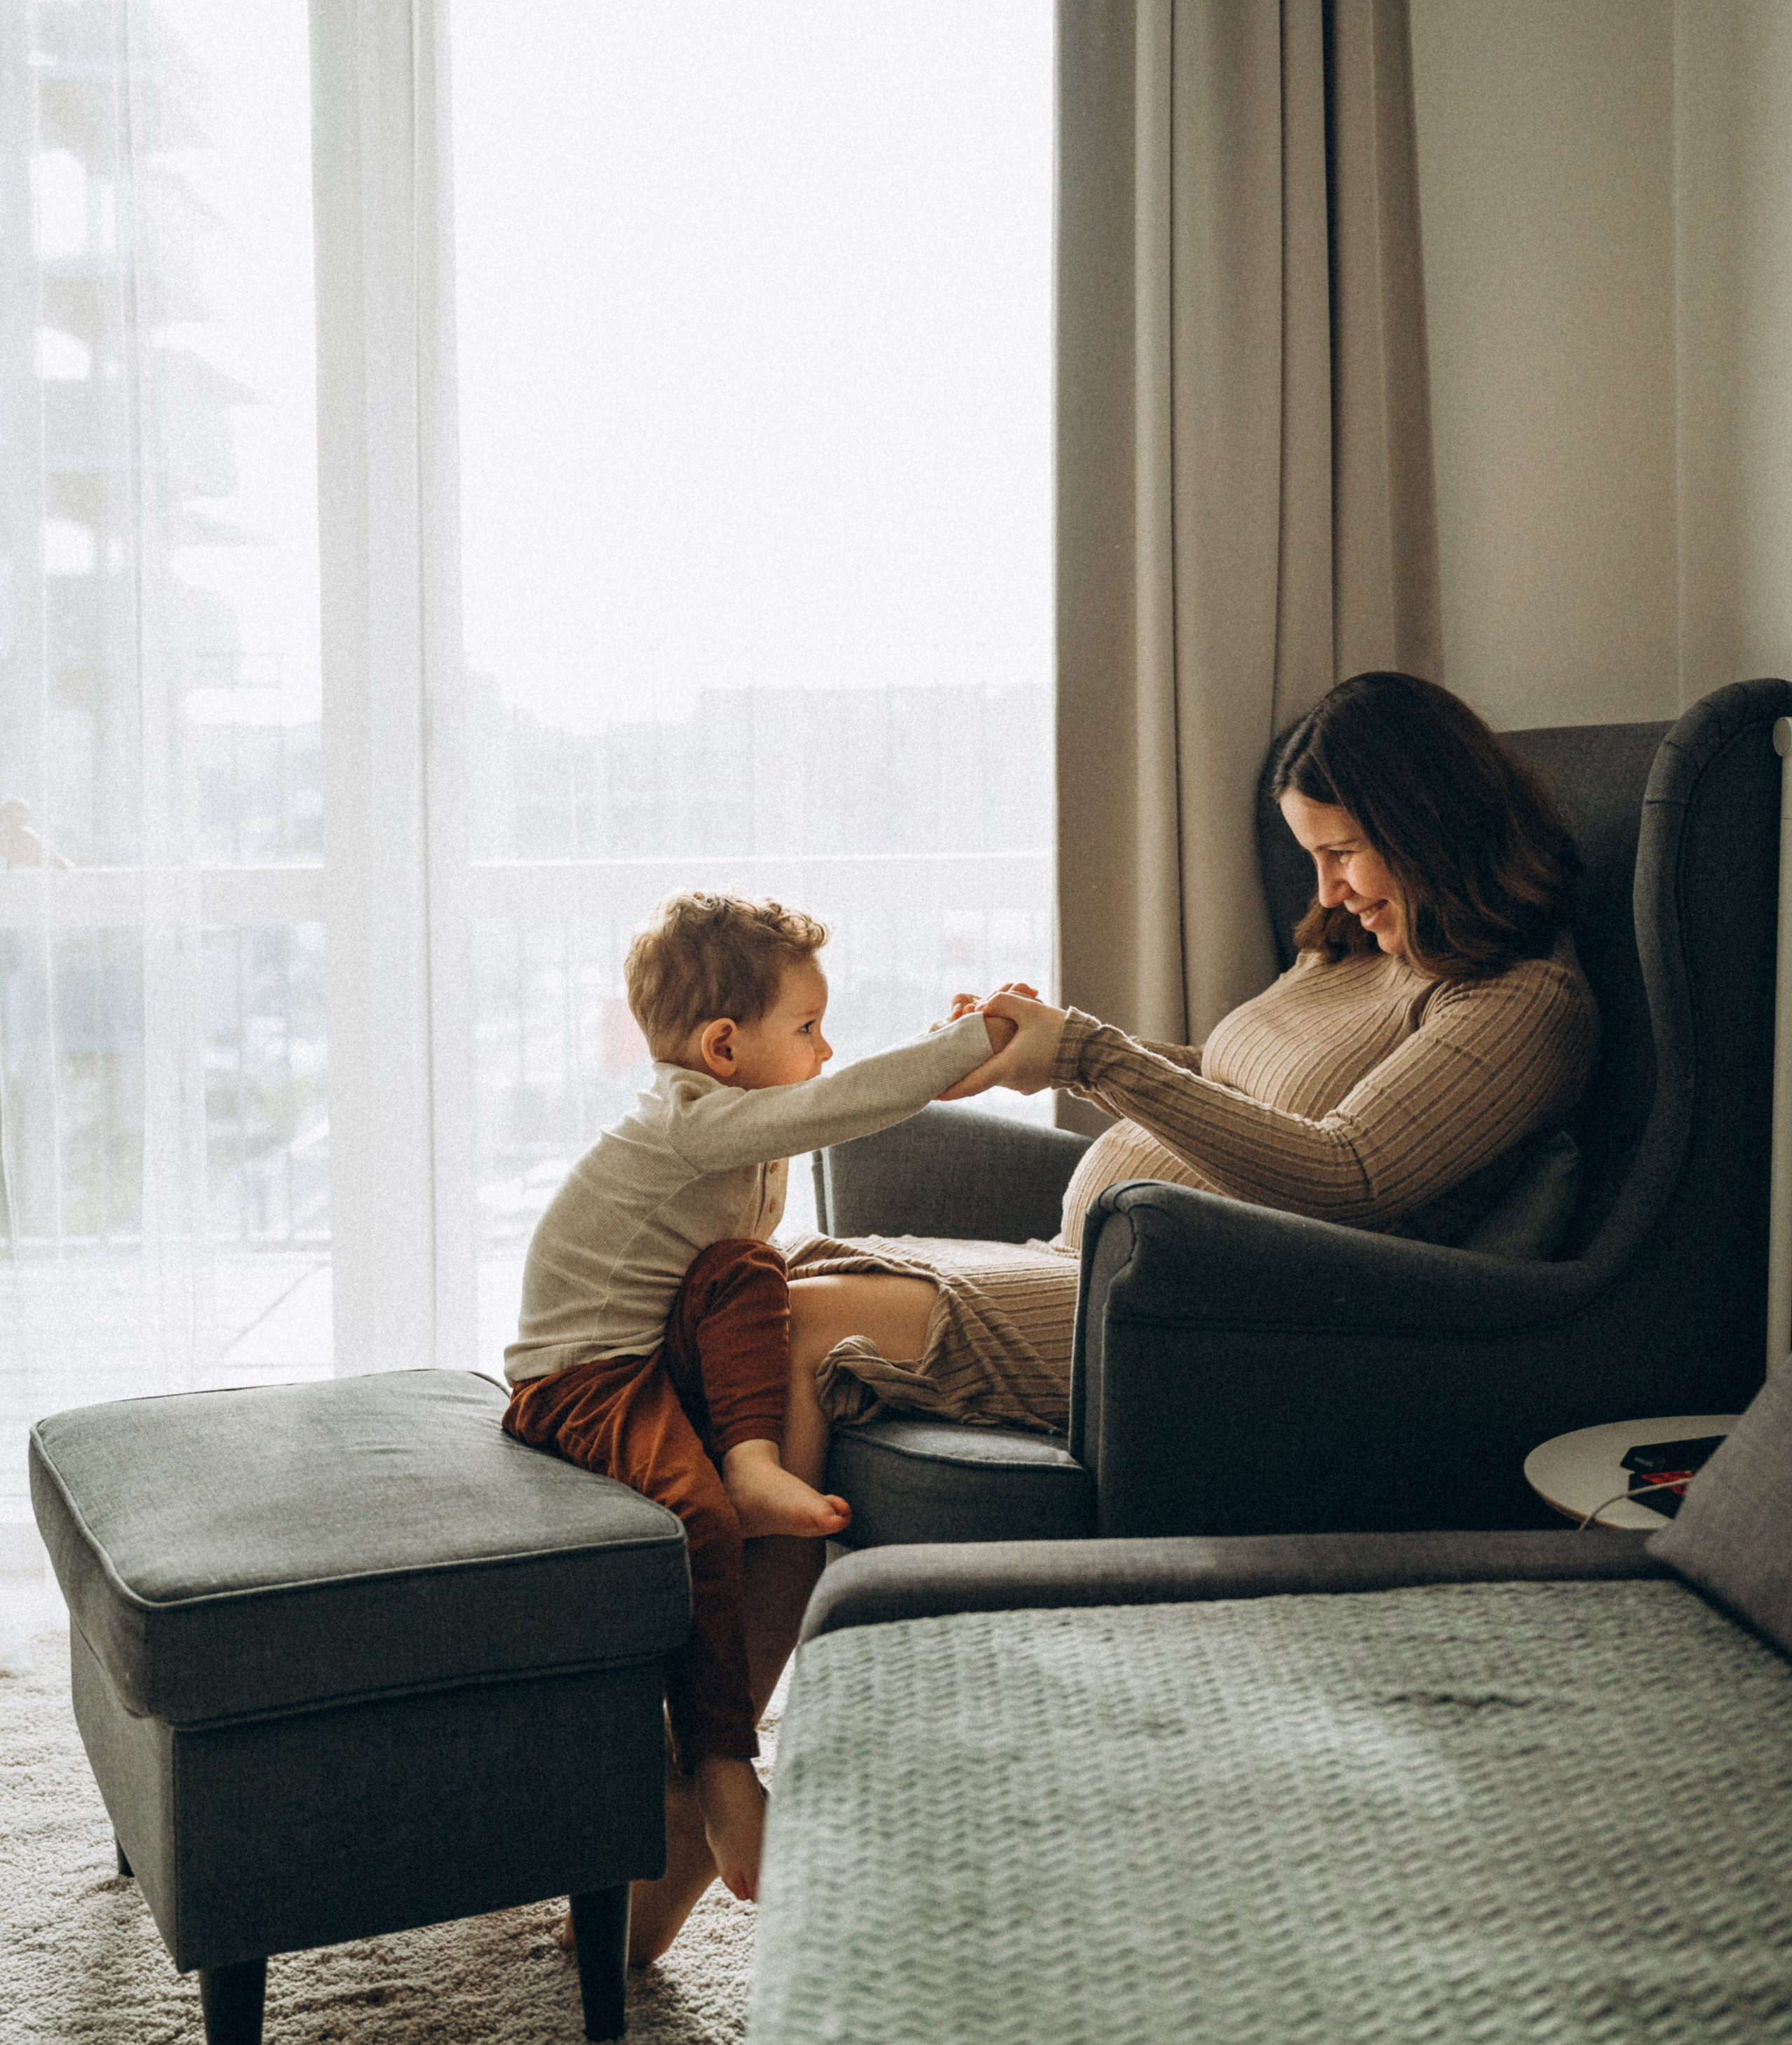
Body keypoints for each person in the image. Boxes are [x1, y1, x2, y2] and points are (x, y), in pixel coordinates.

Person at [629, 673, 1601, 1960]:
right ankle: (663, 1762)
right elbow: (1236, 1086)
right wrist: (1038, 1051)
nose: (1328, 889)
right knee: (762, 1292)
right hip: (1097, 1273)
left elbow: (1350, 1175)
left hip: (1195, 1327)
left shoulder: (1519, 1008)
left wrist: (1092, 1054)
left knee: (801, 1332)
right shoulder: (1364, 955)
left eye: (1346, 851)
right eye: (1315, 855)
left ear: (1433, 822)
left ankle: (706, 1783)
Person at [500, 890, 1001, 1905]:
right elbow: (841, 1105)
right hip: (581, 1379)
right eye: (807, 1028)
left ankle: (752, 1460)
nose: (824, 1050)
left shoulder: (730, 1118)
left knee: (749, 1270)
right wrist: (962, 1046)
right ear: (723, 1048)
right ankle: (725, 1766)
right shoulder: (691, 1122)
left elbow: (822, 1111)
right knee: (694, 1518)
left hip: (656, 1346)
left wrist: (953, 1054)